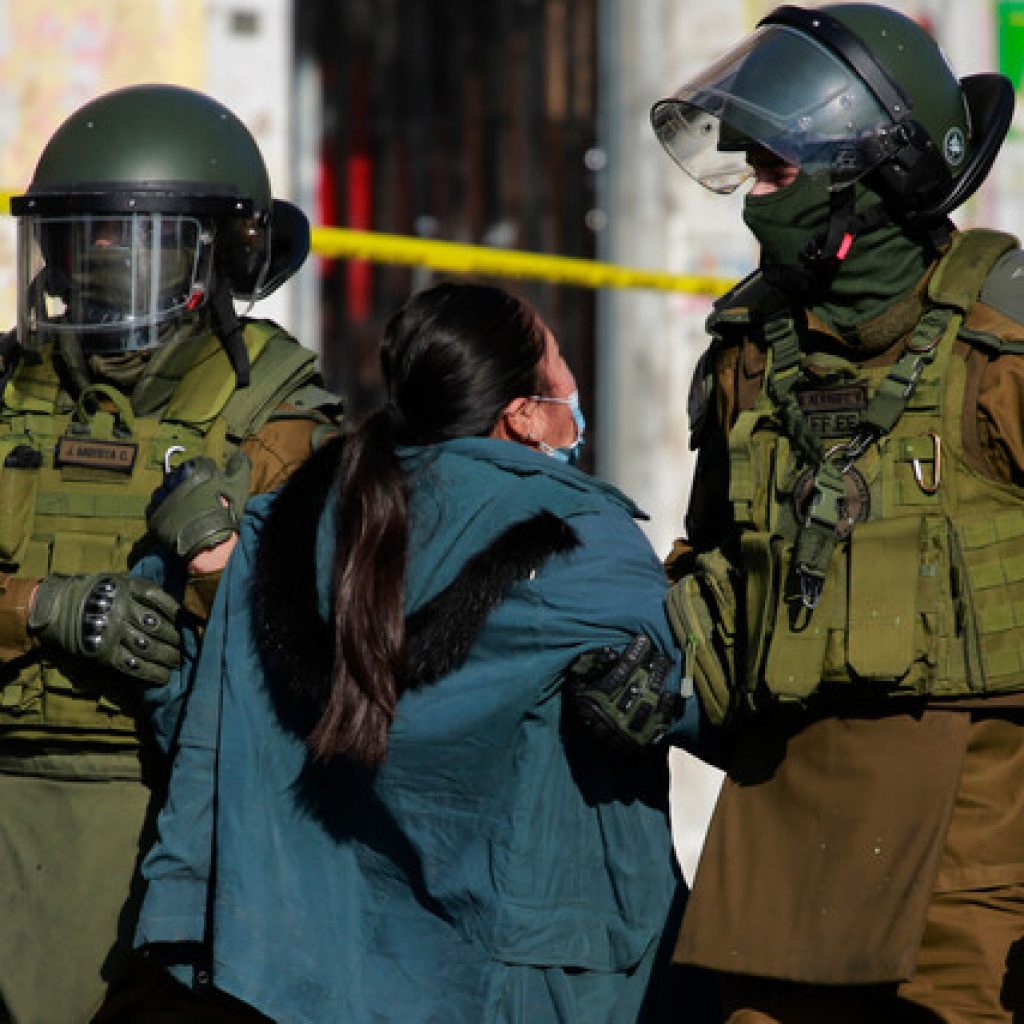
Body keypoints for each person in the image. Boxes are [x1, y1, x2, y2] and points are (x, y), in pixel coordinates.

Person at [133, 281, 705, 1023]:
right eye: (560, 364)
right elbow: (710, 699)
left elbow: (207, 729)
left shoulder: (292, 525)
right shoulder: (580, 539)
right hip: (532, 976)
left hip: (327, 969)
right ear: (524, 414)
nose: (574, 386)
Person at [644, 3, 1024, 1021]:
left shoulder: (1003, 346)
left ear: (874, 177)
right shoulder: (747, 354)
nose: (753, 202)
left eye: (775, 173)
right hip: (778, 851)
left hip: (973, 859)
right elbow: (715, 567)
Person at [0, 84, 341, 1024]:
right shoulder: (7, 391)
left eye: (133, 237)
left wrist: (213, 573)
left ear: (217, 253)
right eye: (81, 235)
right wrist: (39, 607)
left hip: (178, 805)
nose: (103, 258)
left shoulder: (271, 412)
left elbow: (314, 645)